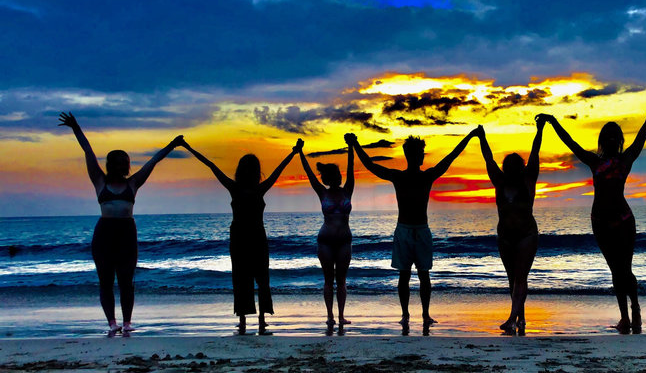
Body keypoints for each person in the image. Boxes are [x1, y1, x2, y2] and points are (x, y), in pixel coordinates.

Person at [538, 87, 646, 333]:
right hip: (600, 222)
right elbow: (570, 142)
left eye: (615, 136)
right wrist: (553, 122)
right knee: (615, 270)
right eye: (608, 136)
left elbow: (645, 130)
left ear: (620, 140)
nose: (612, 140)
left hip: (623, 220)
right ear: (603, 141)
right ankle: (624, 316)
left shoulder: (626, 159)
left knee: (626, 269)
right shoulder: (595, 161)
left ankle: (635, 309)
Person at [58, 111, 181, 335]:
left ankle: (126, 323)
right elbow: (88, 151)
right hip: (104, 233)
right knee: (105, 280)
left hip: (126, 233)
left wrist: (172, 144)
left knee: (126, 281)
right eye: (119, 163)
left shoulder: (134, 182)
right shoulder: (99, 180)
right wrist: (75, 127)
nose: (124, 166)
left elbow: (154, 161)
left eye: (126, 163)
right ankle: (112, 323)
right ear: (111, 165)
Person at [346, 129, 480, 328]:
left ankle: (425, 314)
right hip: (404, 230)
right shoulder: (400, 177)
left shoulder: (426, 176)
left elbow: (451, 156)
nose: (421, 157)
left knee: (424, 275)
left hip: (421, 230)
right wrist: (354, 145)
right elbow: (371, 165)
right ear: (412, 156)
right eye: (419, 154)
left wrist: (469, 137)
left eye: (421, 154)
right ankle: (405, 315)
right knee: (404, 275)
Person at [179, 137, 301, 335]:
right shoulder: (255, 189)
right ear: (255, 171)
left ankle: (246, 320)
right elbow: (279, 170)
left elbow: (211, 165)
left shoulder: (237, 189)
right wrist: (293, 152)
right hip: (253, 237)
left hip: (242, 237)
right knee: (258, 278)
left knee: (245, 278)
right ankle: (258, 320)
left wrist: (188, 147)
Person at [476, 118, 545, 335]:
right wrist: (482, 138)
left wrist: (540, 129)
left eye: (517, 166)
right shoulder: (500, 181)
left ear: (521, 168)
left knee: (521, 277)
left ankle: (512, 318)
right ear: (506, 168)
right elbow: (488, 159)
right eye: (509, 166)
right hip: (505, 237)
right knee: (511, 279)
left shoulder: (528, 180)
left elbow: (535, 153)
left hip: (526, 235)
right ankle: (521, 318)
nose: (513, 169)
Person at [297, 140, 355, 327]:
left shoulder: (348, 190)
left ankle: (341, 316)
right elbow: (309, 174)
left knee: (342, 281)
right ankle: (330, 316)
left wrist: (351, 147)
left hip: (345, 242)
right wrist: (300, 152)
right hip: (325, 242)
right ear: (328, 178)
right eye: (335, 175)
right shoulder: (322, 192)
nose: (339, 177)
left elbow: (352, 167)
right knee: (329, 280)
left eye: (339, 174)